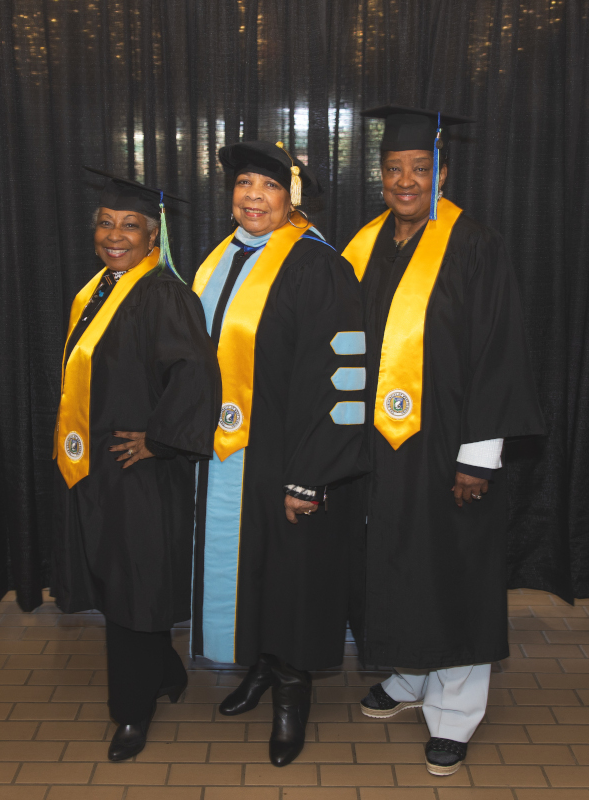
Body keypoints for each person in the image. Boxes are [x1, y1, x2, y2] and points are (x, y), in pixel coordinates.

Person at [342, 106, 545, 776]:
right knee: (396, 564)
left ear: (442, 173)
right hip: (380, 447)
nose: (406, 181)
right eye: (394, 169)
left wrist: (478, 456)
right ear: (380, 176)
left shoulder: (475, 243)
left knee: (453, 570)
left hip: (450, 444)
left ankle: (455, 711)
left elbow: (499, 354)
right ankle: (408, 677)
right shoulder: (365, 244)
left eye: (420, 169)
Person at [191, 141, 369, 767]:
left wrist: (311, 476)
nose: (251, 196)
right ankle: (264, 667)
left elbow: (343, 377)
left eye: (267, 185)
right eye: (243, 184)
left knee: (294, 578)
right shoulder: (223, 258)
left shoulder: (317, 264)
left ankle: (294, 694)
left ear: (292, 196)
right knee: (257, 570)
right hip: (238, 456)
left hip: (294, 457)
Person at [51, 168, 221, 762]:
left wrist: (161, 440)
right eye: (106, 223)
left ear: (155, 236)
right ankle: (167, 674)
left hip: (139, 471)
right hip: (99, 467)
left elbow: (197, 374)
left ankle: (130, 712)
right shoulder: (100, 287)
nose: (115, 234)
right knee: (123, 580)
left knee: (131, 589)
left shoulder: (162, 293)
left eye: (130, 225)